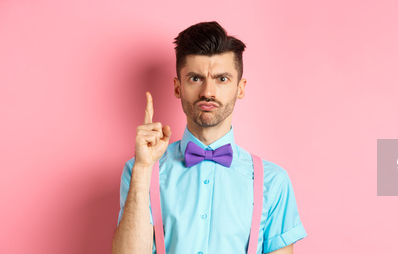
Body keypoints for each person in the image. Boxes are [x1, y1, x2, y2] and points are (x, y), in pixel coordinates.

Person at [112, 21, 306, 254]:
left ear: (240, 88)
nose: (208, 92)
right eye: (195, 78)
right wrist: (144, 168)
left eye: (222, 79)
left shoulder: (273, 182)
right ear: (177, 87)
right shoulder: (140, 170)